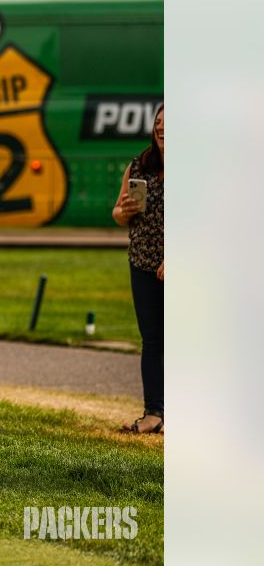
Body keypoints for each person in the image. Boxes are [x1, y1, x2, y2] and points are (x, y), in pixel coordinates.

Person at [113, 103, 164, 434]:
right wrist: (125, 210)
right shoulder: (139, 166)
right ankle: (154, 414)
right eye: (159, 122)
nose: (163, 128)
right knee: (152, 339)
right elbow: (117, 214)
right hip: (142, 263)